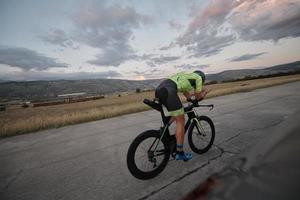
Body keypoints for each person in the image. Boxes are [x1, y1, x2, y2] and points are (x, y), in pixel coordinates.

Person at [155, 70, 210, 161]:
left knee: (177, 113)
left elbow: (188, 96)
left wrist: (190, 98)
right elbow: (198, 97)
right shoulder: (198, 78)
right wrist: (205, 93)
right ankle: (179, 152)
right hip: (169, 91)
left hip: (159, 90)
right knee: (181, 120)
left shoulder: (185, 75)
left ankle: (164, 129)